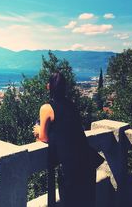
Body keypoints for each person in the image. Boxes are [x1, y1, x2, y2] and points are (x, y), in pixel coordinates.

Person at [33, 72, 98, 207]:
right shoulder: (72, 105)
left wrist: (37, 130)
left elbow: (43, 138)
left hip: (70, 167)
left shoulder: (47, 108)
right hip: (86, 161)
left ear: (48, 86)